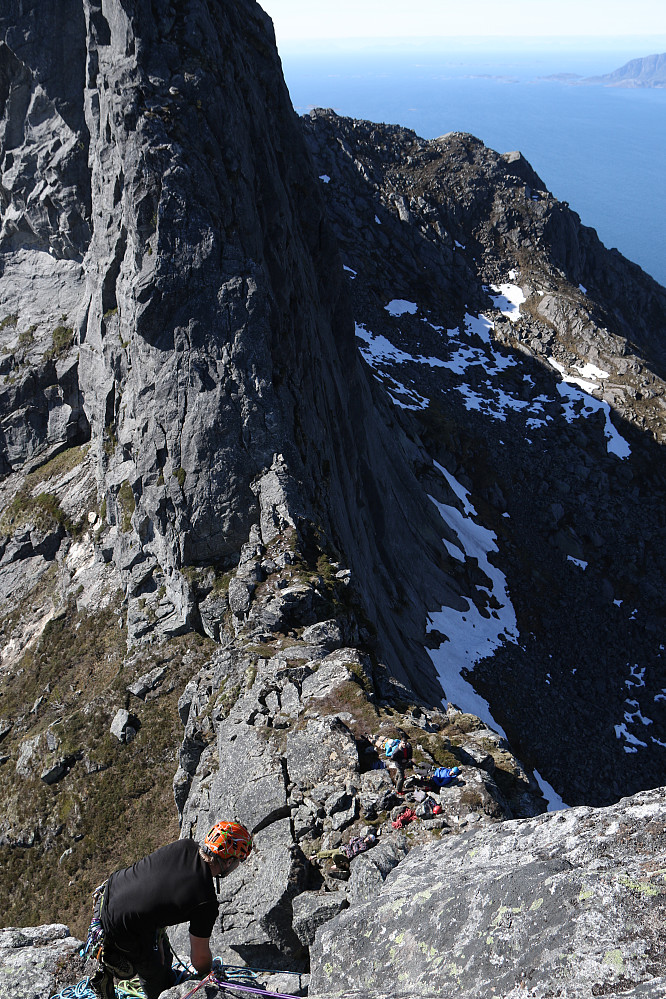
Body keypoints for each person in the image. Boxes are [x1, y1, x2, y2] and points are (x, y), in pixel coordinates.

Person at [88, 820, 253, 999]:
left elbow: (158, 883)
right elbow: (199, 959)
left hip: (109, 892)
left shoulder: (185, 845)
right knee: (155, 975)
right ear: (228, 862)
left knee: (163, 954)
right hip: (120, 927)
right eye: (237, 861)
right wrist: (209, 973)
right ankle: (125, 974)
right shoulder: (205, 901)